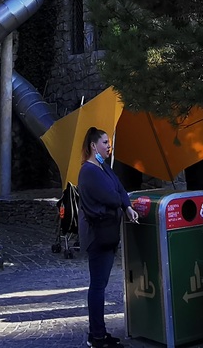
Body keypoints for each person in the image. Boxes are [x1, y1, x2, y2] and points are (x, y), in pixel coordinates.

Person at [77, 127, 138, 348]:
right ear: (94, 146)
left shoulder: (103, 168)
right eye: (105, 142)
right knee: (98, 286)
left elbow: (121, 190)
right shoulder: (89, 172)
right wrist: (121, 202)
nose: (108, 146)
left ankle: (98, 333)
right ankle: (97, 336)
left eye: (109, 142)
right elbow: (112, 197)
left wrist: (128, 206)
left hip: (108, 234)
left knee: (100, 284)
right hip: (98, 236)